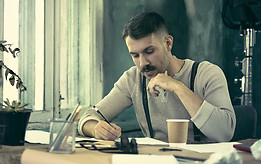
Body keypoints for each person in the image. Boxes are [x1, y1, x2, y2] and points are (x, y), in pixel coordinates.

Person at [78, 11, 236, 143]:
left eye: (149, 51)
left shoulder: (207, 73)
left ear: (168, 43)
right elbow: (88, 117)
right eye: (135, 55)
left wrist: (177, 87)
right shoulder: (132, 79)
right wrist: (96, 129)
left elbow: (225, 133)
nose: (143, 63)